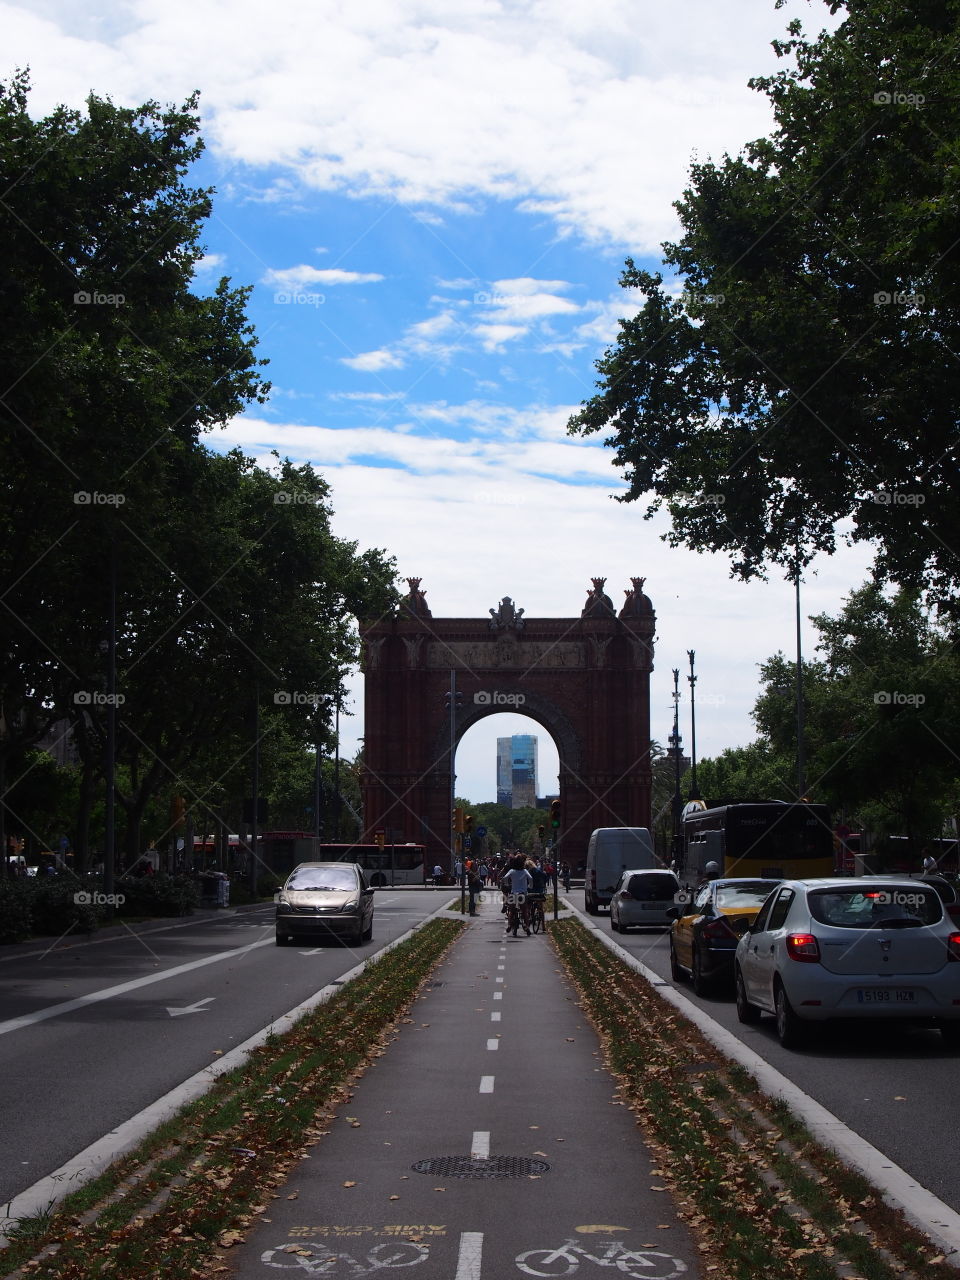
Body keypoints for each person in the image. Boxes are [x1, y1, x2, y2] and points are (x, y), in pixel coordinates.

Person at [501, 856, 532, 935]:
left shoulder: (512, 871)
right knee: (525, 911)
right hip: (522, 894)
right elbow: (530, 878)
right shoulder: (524, 871)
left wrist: (507, 884)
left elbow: (505, 878)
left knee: (511, 911)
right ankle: (527, 926)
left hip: (513, 893)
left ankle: (509, 925)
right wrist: (530, 886)